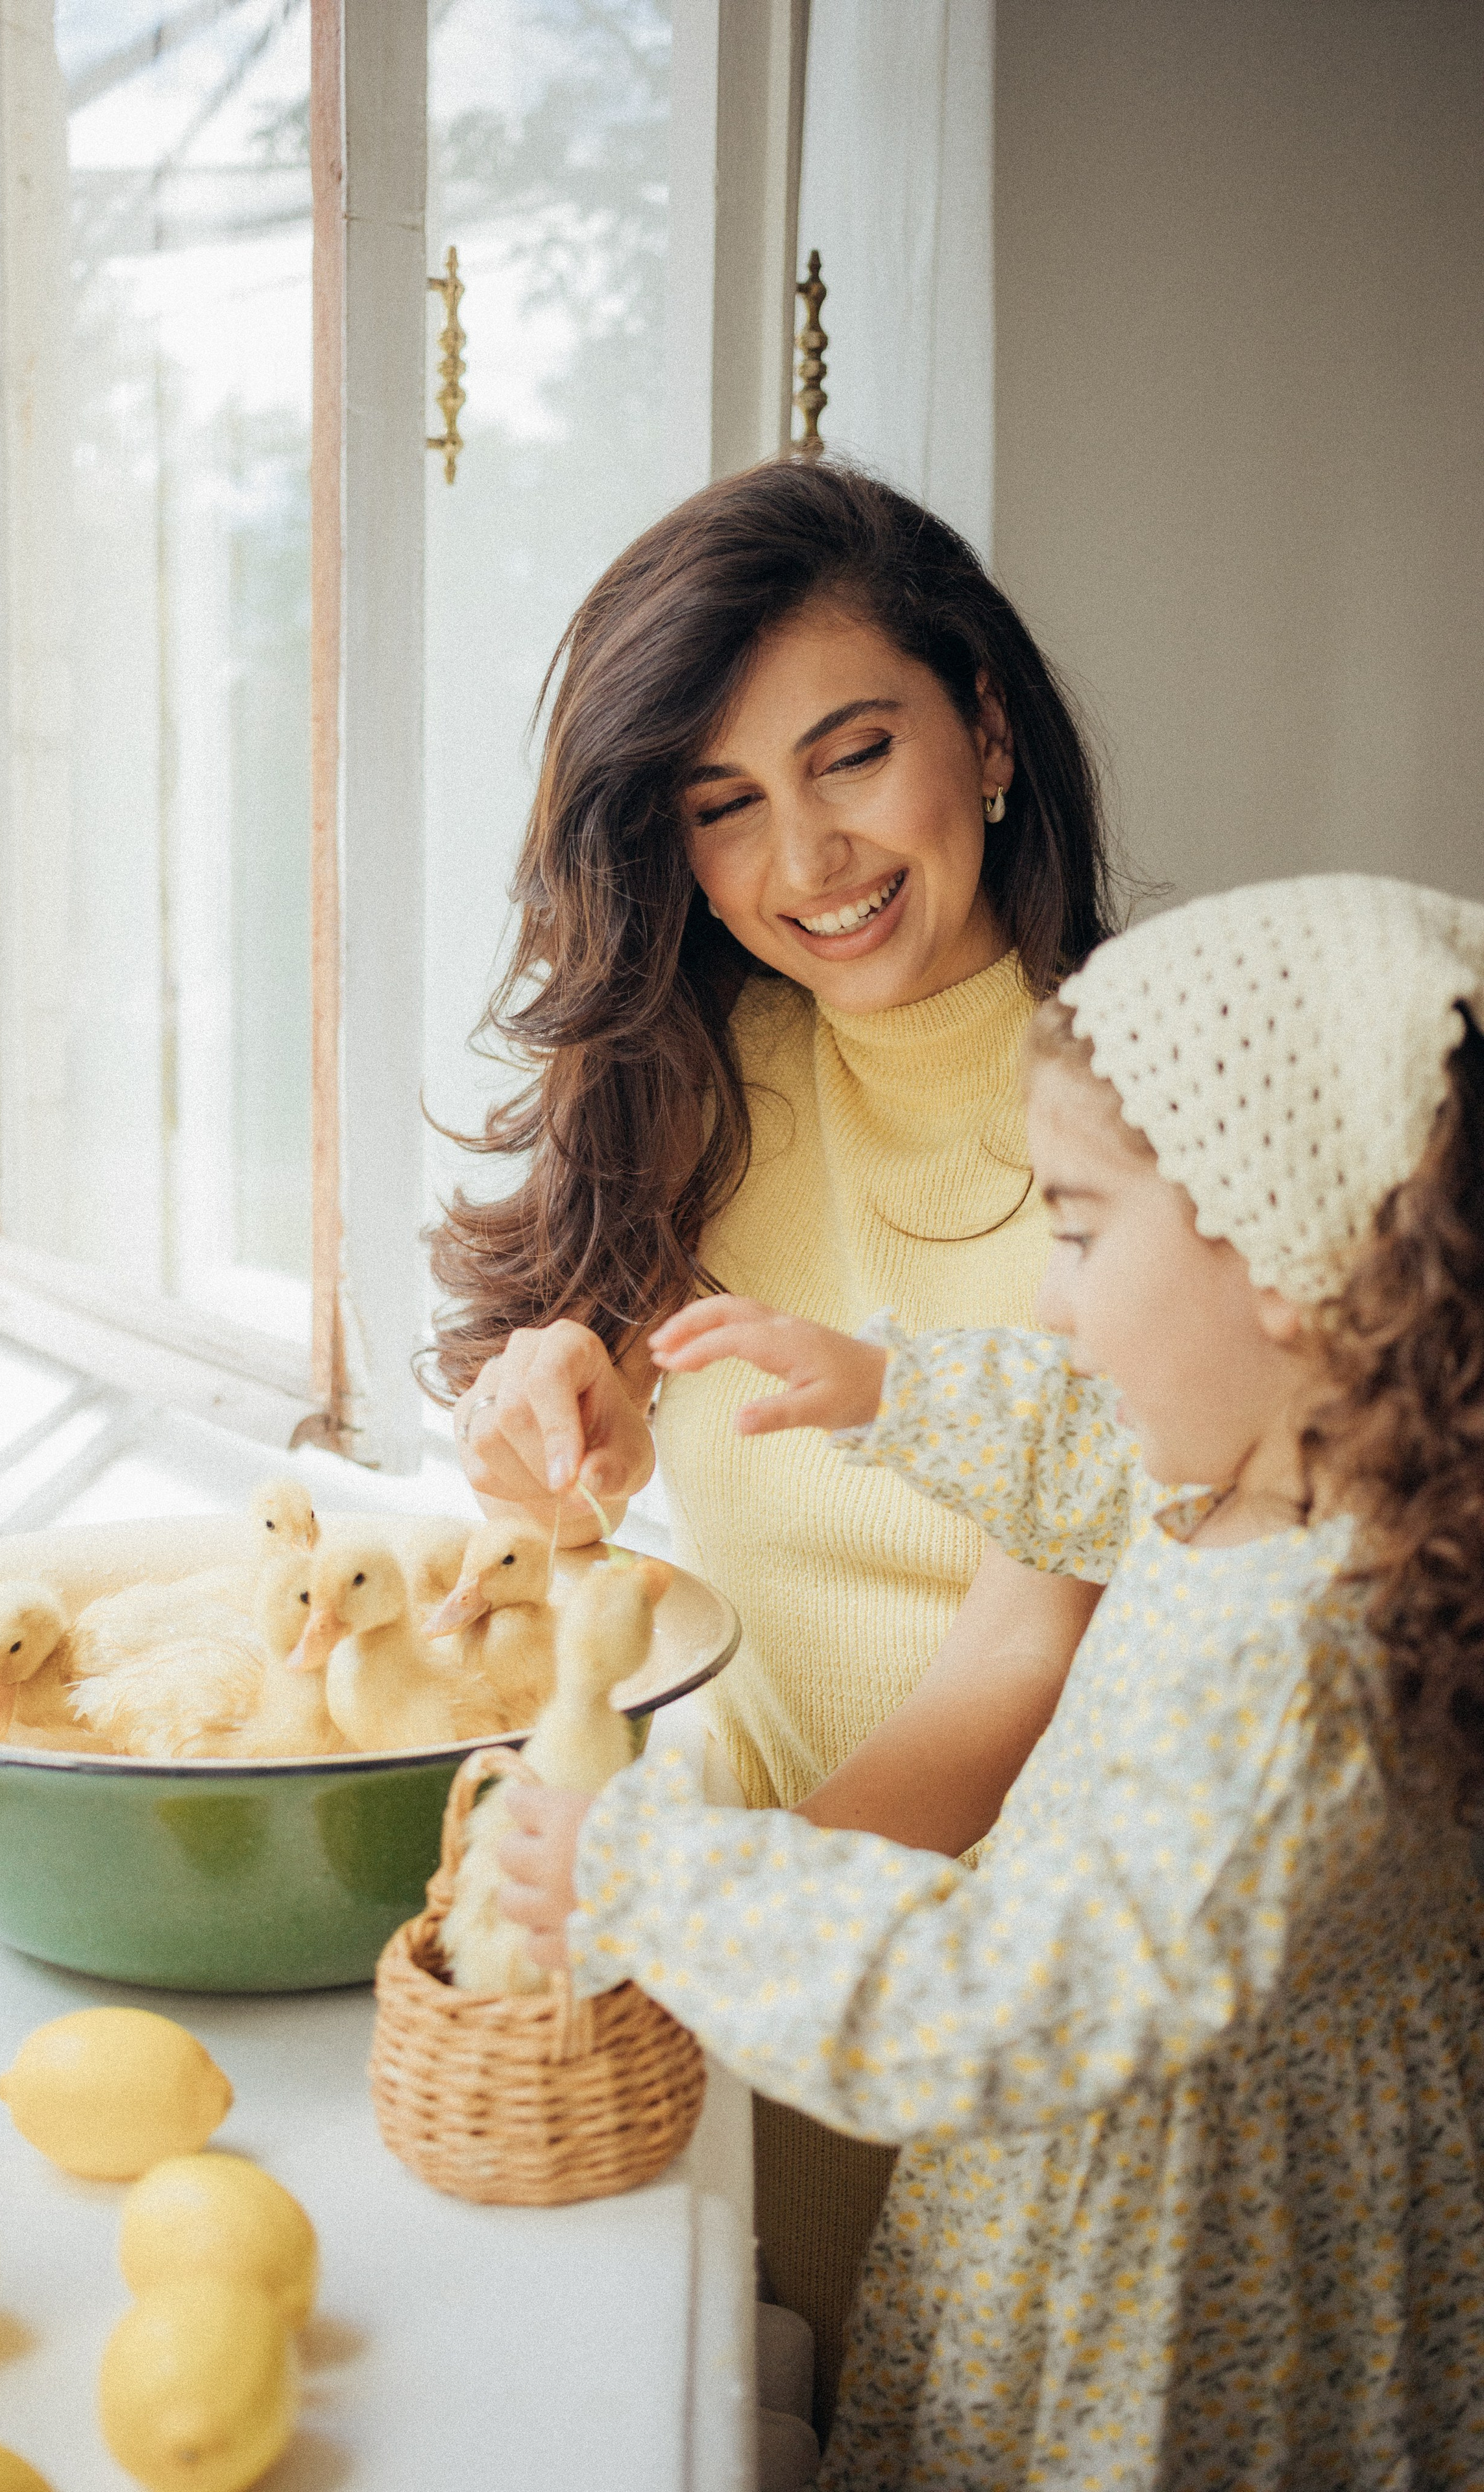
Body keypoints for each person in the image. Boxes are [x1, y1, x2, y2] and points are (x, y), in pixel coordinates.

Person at [495, 875, 1484, 2487]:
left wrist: (650, 1882)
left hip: (1177, 2276)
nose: (1048, 1292)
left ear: (1294, 1268)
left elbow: (1001, 1995)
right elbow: (1086, 1446)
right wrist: (882, 1385)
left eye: (1080, 1233)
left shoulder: (1303, 1687)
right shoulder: (1301, 1475)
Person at [426, 461, 1117, 2404]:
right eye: (724, 807)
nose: (805, 858)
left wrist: (708, 1941)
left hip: (956, 2000)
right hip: (730, 1909)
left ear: (984, 730)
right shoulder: (719, 1064)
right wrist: (555, 1403)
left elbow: (1021, 1666)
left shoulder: (1137, 1120)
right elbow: (630, 1476)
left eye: (852, 754)